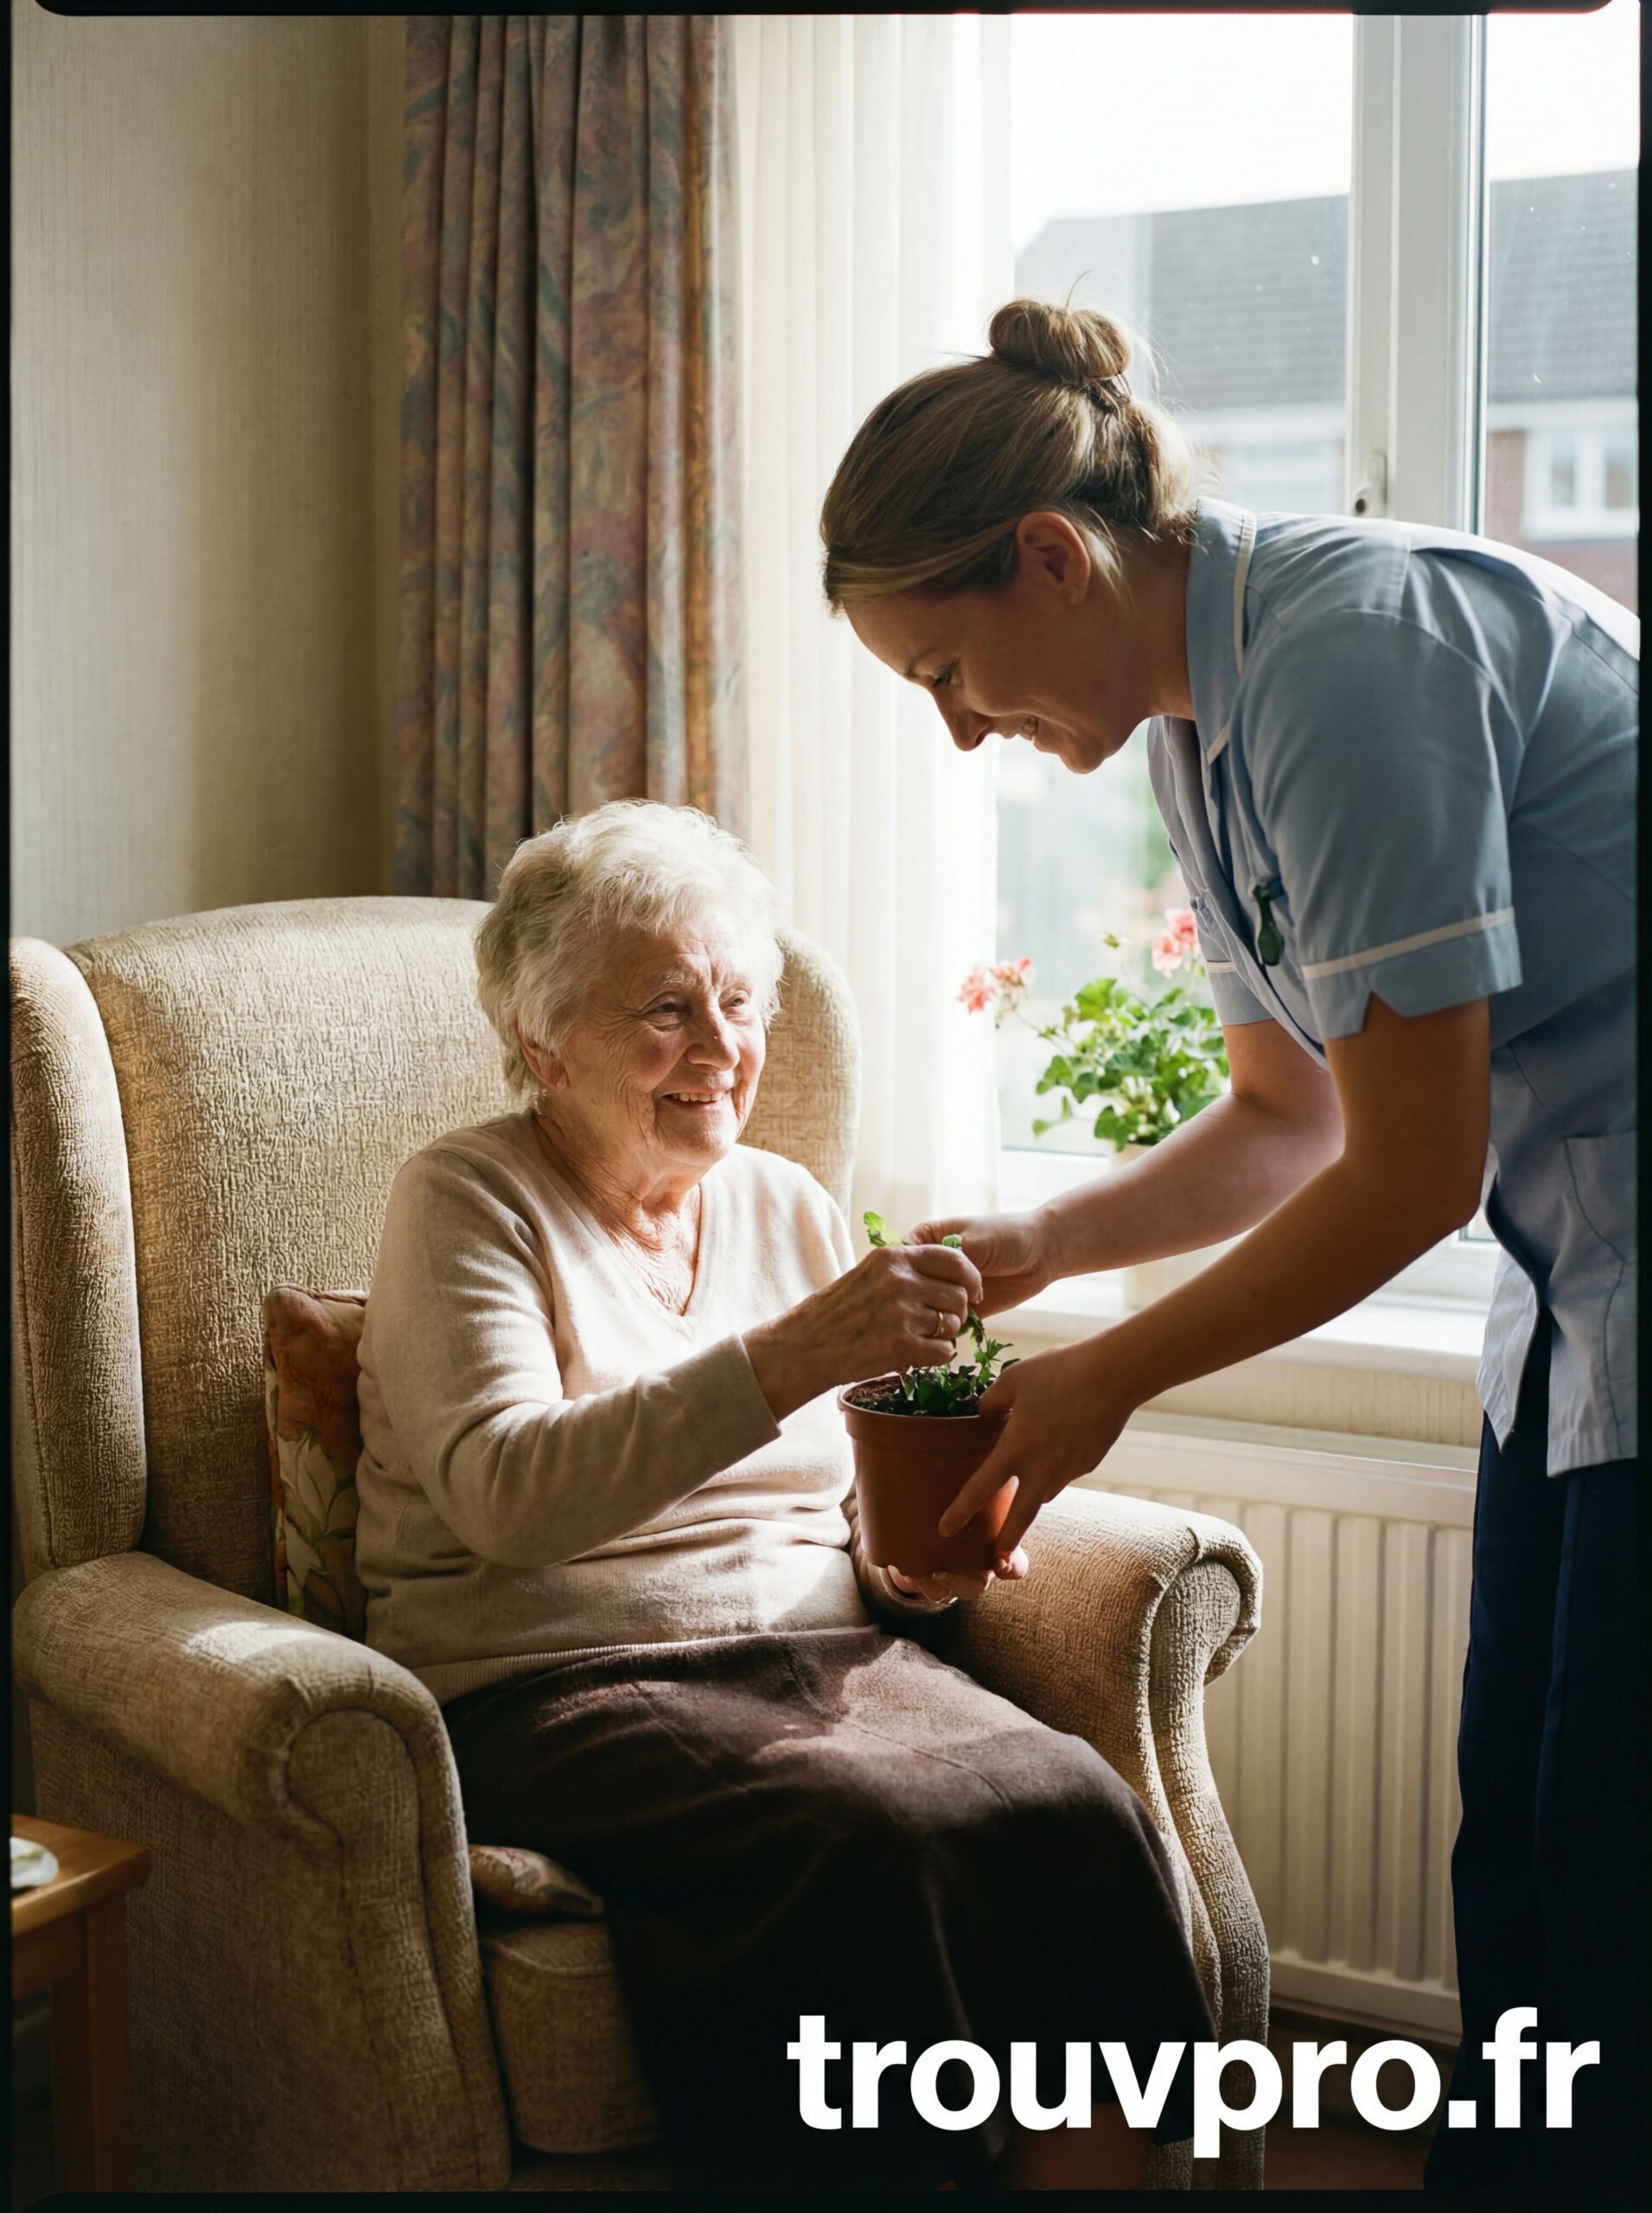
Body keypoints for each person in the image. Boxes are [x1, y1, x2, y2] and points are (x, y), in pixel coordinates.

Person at [821, 298, 1637, 2194]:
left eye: (951, 669)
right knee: (1511, 1846)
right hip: (1577, 1275)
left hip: (1599, 1241)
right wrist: (1041, 1238)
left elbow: (1409, 1172)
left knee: (1608, 1871)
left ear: (1050, 555)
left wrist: (1103, 1372)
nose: (958, 734)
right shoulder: (1195, 723)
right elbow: (1288, 1121)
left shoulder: (1346, 662)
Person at [353, 799, 1215, 2191]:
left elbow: (840, 1505)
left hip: (812, 1655)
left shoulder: (785, 1205)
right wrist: (796, 1351)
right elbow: (507, 1496)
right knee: (867, 1840)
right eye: (665, 1010)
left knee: (1069, 1801)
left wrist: (913, 1567)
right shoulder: (466, 1203)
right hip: (553, 1683)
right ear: (540, 1042)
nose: (721, 1049)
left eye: (738, 1001)